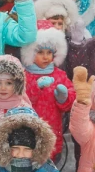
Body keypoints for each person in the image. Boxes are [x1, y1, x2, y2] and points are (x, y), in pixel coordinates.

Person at [21, 20, 76, 161]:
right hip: (28, 129)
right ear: (31, 53)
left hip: (53, 128)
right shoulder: (24, 75)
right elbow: (21, 99)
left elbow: (70, 102)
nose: (45, 57)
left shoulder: (59, 75)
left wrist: (64, 98)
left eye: (49, 52)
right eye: (40, 52)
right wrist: (36, 87)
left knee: (51, 161)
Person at [36, 0, 91, 78]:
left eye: (60, 24)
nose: (57, 27)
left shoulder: (68, 41)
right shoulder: (38, 40)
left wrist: (76, 44)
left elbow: (75, 66)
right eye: (53, 23)